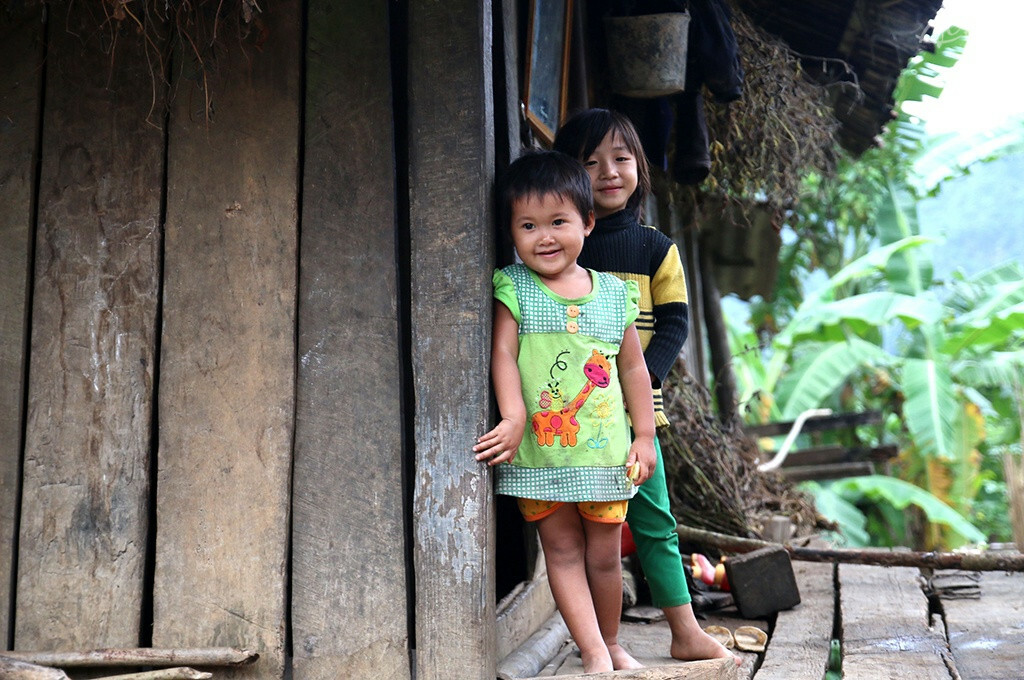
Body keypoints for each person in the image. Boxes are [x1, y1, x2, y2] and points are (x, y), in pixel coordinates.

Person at [554, 108, 737, 665]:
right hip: (576, 415)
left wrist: (643, 378)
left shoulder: (657, 248)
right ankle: (597, 642)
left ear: (640, 167)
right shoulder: (566, 246)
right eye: (590, 162)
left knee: (654, 521)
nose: (608, 172)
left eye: (621, 158)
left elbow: (675, 322)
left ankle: (684, 631)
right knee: (581, 532)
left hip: (639, 417)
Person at [473, 150, 656, 673]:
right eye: (528, 226)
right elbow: (502, 353)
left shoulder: (615, 295)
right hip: (541, 456)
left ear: (588, 222)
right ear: (511, 232)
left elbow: (633, 369)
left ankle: (612, 643)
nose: (545, 237)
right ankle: (594, 652)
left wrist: (644, 436)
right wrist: (513, 417)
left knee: (605, 557)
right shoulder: (515, 287)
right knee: (563, 553)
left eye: (558, 221)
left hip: (606, 456)